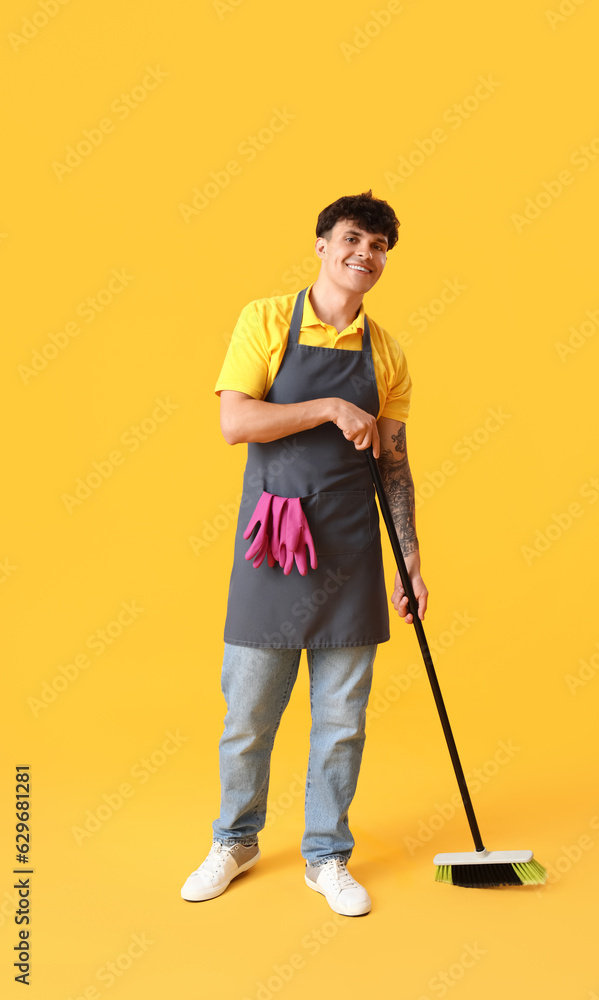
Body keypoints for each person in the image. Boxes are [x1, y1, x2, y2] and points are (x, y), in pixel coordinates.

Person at [181, 190, 428, 916]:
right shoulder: (263, 320)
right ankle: (235, 839)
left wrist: (410, 560)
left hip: (351, 548)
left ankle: (326, 856)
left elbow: (393, 464)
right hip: (273, 544)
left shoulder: (386, 352)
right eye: (353, 237)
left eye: (379, 245)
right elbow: (236, 421)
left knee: (342, 718)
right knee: (249, 711)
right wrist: (328, 406)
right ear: (321, 244)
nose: (366, 253)